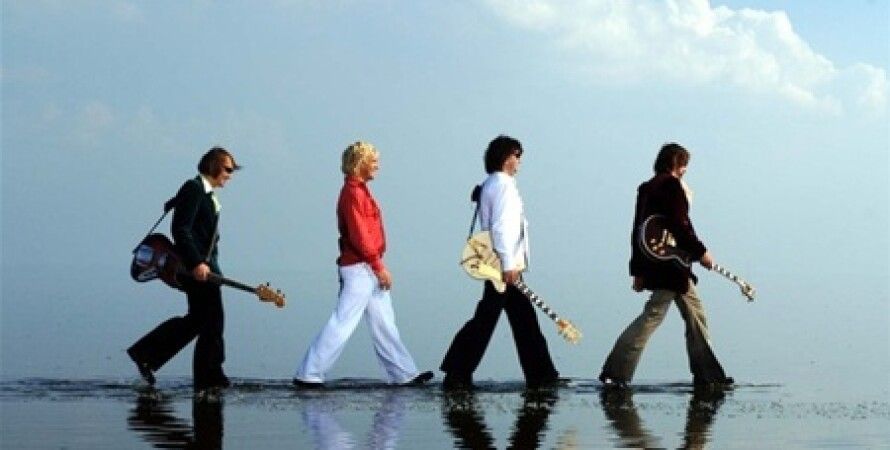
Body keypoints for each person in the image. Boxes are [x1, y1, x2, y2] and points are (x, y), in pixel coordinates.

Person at [292, 141, 433, 387]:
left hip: (366, 265)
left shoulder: (359, 191)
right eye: (374, 161)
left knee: (384, 323)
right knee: (343, 321)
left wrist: (376, 265)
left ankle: (404, 374)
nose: (378, 165)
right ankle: (309, 373)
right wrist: (378, 267)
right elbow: (360, 235)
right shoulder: (353, 194)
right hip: (360, 268)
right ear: (360, 163)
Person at [598, 142, 733, 388]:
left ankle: (708, 375)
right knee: (655, 317)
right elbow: (680, 225)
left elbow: (637, 231)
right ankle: (616, 374)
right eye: (684, 165)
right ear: (675, 164)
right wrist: (701, 253)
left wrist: (637, 271)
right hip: (673, 265)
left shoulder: (646, 188)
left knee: (694, 316)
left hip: (656, 263)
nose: (685, 170)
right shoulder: (672, 186)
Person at [440, 135, 560, 390]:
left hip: (500, 262)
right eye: (517, 156)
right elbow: (501, 227)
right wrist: (508, 264)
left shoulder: (492, 183)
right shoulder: (503, 186)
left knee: (522, 319)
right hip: (503, 265)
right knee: (489, 319)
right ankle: (457, 372)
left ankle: (543, 375)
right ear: (506, 158)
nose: (520, 162)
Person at [127, 146, 240, 396]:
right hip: (195, 269)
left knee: (202, 321)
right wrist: (197, 263)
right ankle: (209, 378)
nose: (230, 175)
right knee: (211, 321)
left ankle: (150, 355)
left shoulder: (201, 192)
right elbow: (181, 229)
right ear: (213, 166)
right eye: (228, 169)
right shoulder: (194, 188)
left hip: (206, 269)